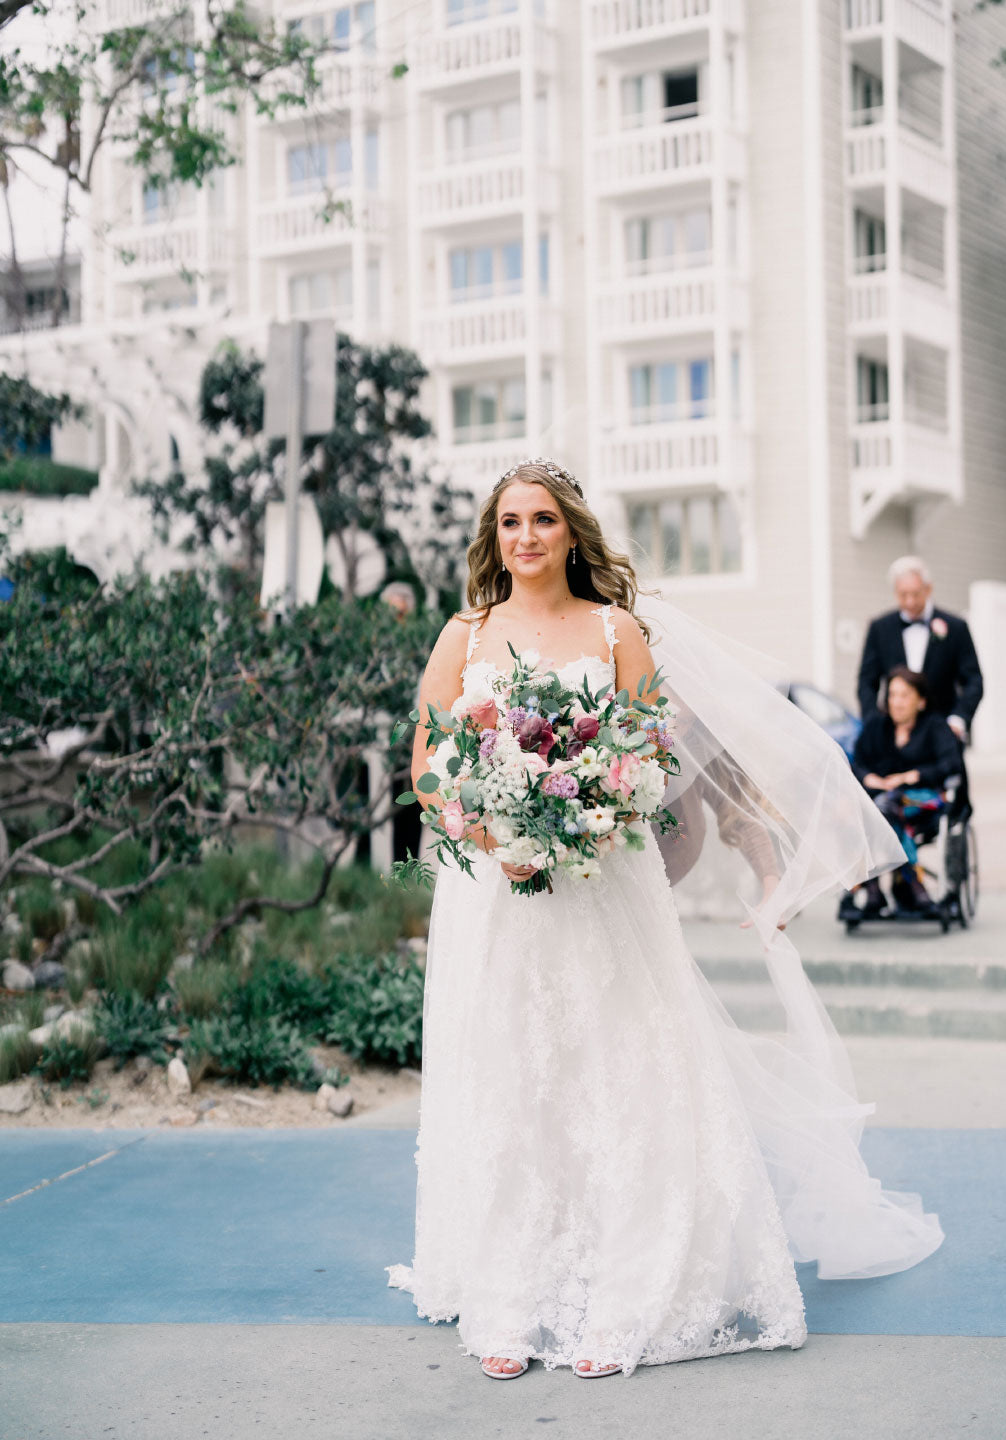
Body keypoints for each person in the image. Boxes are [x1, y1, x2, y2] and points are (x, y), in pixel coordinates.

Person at [386, 459, 943, 1381]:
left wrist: (590, 816)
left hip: (605, 885)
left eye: (544, 521)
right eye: (511, 522)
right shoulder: (464, 635)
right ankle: (510, 1297)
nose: (526, 536)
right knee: (512, 1079)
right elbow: (427, 766)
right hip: (497, 892)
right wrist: (495, 829)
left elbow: (646, 753)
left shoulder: (618, 631)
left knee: (623, 1072)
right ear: (494, 537)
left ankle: (627, 1291)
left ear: (572, 533)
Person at [840, 667, 964, 918]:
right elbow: (856, 763)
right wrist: (869, 778)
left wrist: (912, 776)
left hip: (923, 801)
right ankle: (908, 884)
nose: (896, 702)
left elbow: (951, 765)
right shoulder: (877, 727)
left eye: (904, 695)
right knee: (876, 808)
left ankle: (875, 888)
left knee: (881, 808)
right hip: (883, 804)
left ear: (921, 700)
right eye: (893, 695)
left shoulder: (934, 727)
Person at [857, 556, 983, 744]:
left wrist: (958, 719)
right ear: (895, 592)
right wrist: (874, 722)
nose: (910, 602)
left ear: (928, 589)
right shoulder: (879, 628)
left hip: (943, 735)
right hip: (895, 737)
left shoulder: (956, 627)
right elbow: (866, 681)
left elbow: (974, 680)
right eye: (903, 595)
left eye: (916, 594)